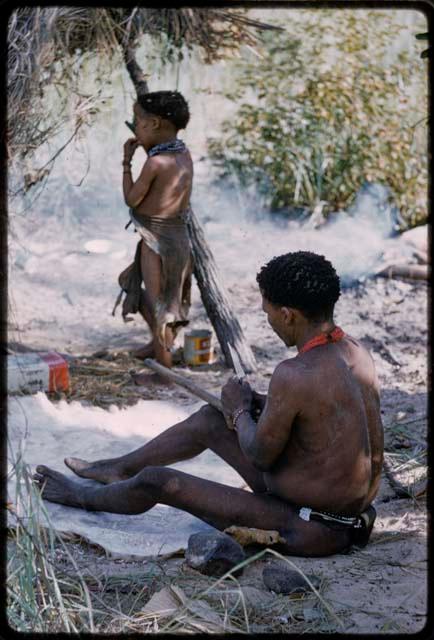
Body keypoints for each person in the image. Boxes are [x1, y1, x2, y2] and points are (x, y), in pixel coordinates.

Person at [34, 251, 384, 557]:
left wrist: (238, 409)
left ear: (289, 315)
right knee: (207, 420)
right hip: (342, 514)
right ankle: (119, 469)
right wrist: (256, 406)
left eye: (269, 314)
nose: (270, 321)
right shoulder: (356, 352)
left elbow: (259, 455)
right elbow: (320, 421)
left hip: (311, 527)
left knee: (158, 481)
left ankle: (79, 496)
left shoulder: (295, 373)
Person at [114, 90, 193, 375]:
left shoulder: (155, 163)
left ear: (155, 124)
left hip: (156, 242)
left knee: (161, 306)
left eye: (138, 120)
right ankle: (156, 345)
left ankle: (165, 371)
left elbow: (132, 199)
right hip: (179, 240)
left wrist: (126, 162)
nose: (135, 126)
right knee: (142, 288)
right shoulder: (182, 154)